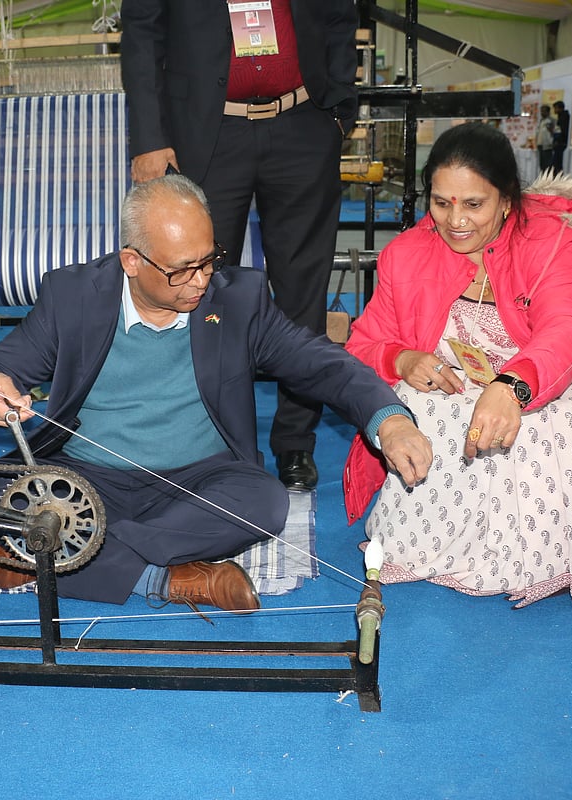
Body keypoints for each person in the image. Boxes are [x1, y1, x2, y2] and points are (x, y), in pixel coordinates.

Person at [0, 174, 431, 612]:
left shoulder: (237, 300)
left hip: (199, 481)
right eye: (183, 270)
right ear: (132, 262)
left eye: (209, 259)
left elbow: (320, 362)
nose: (202, 279)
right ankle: (166, 579)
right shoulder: (73, 295)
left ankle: (46, 549)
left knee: (265, 503)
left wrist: (388, 418)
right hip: (85, 477)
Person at [343, 122, 572, 608]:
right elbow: (363, 344)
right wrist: (401, 358)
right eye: (441, 202)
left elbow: (570, 329)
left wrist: (512, 386)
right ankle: (446, 547)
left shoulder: (550, 238)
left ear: (507, 199)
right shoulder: (404, 254)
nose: (455, 221)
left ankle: (542, 558)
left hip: (541, 379)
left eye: (474, 204)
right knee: (413, 408)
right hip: (451, 389)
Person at [120, 0, 360, 492]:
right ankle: (210, 441)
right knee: (195, 290)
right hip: (205, 132)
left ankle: (295, 442)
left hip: (303, 123)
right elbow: (142, 34)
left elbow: (339, 14)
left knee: (302, 293)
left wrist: (339, 108)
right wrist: (149, 137)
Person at [552, 100, 571, 174]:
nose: (554, 110)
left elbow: (563, 131)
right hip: (558, 144)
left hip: (561, 144)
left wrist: (559, 141)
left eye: (555, 108)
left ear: (560, 108)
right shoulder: (560, 117)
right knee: (555, 165)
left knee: (558, 165)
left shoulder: (564, 117)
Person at [535, 104, 555, 172]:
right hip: (540, 145)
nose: (542, 113)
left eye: (544, 111)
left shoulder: (551, 120)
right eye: (541, 111)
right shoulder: (541, 121)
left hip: (547, 146)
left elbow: (554, 132)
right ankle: (543, 180)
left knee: (548, 165)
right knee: (542, 165)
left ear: (548, 112)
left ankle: (548, 180)